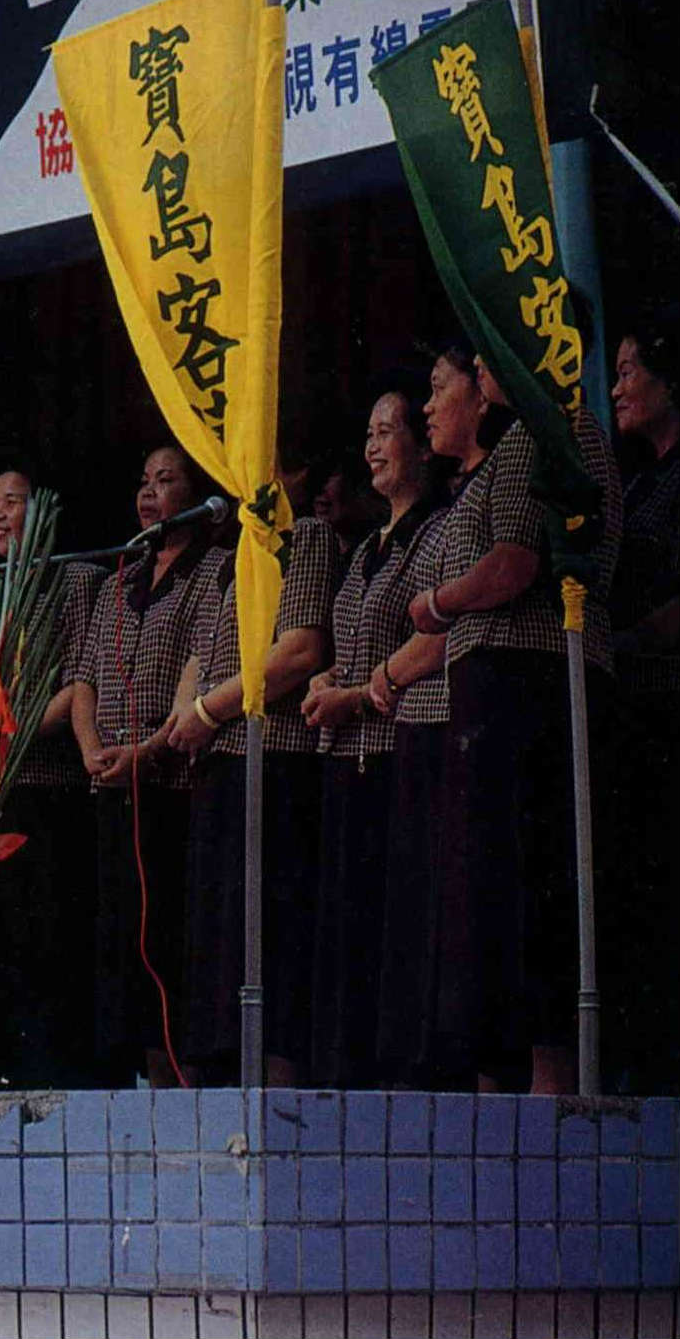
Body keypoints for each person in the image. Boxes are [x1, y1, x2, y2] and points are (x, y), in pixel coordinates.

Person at [407, 347, 622, 1094]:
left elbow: (514, 563)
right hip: (496, 684)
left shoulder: (552, 428)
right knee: (492, 896)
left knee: (532, 887)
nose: (481, 358)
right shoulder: (522, 436)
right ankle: (507, 1084)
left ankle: (547, 1084)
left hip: (531, 677)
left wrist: (437, 603)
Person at [366, 342, 504, 1088]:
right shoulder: (449, 502)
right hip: (412, 724)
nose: (427, 406)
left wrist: (382, 674)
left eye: (437, 389)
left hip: (448, 711)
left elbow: (459, 612)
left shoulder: (480, 490)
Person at [299, 381, 444, 1088]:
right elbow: (349, 642)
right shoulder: (363, 550)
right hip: (343, 757)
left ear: (422, 445)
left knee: (396, 930)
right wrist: (326, 679)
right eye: (368, 434)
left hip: (397, 754)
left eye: (387, 432)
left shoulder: (438, 531)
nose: (373, 447)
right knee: (345, 932)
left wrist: (353, 695)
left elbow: (433, 642)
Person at [168, 500, 335, 1086]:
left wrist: (206, 712)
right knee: (216, 938)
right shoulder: (232, 548)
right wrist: (183, 716)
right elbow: (200, 654)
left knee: (271, 928)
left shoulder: (304, 536)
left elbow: (299, 650)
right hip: (217, 757)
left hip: (274, 755)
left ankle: (276, 1087)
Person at [72, 445, 221, 1086]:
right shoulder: (119, 579)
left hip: (171, 781)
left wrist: (149, 749)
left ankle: (177, 1082)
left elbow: (200, 671)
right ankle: (138, 1083)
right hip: (110, 782)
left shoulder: (212, 571)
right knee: (118, 942)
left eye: (165, 480)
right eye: (144, 480)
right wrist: (90, 749)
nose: (149, 492)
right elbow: (83, 680)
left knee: (168, 938)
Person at [0, 462, 105, 1086]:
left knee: (49, 940)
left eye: (12, 501)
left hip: (48, 785)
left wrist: (8, 736)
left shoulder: (79, 582)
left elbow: (81, 678)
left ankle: (54, 1074)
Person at [604, 312, 680, 1091]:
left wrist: (627, 640)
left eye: (629, 370)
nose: (617, 387)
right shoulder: (636, 483)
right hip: (631, 711)